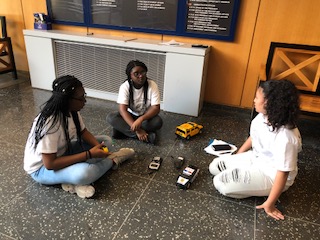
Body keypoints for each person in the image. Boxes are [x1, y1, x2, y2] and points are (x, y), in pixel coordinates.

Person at [24, 75, 135, 199]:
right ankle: (113, 159)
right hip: (42, 169)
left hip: (62, 152)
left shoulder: (72, 111)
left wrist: (97, 147)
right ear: (67, 100)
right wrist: (89, 154)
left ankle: (70, 180)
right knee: (85, 173)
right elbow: (50, 164)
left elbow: (83, 132)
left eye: (84, 95)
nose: (85, 100)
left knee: (106, 141)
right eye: (81, 98)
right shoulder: (50, 123)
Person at [209, 80, 302, 220]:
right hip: (255, 158)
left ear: (269, 103)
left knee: (220, 183)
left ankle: (256, 188)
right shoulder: (264, 116)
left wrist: (270, 204)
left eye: (257, 97)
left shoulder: (287, 137)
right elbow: (253, 137)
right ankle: (245, 179)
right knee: (214, 166)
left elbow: (282, 173)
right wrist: (237, 157)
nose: (254, 100)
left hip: (271, 175)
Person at [107, 60, 163, 144]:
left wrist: (141, 119)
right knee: (111, 117)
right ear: (130, 76)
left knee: (157, 122)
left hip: (145, 118)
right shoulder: (125, 87)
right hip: (130, 116)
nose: (140, 76)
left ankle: (123, 131)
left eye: (143, 72)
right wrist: (138, 131)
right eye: (136, 74)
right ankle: (146, 136)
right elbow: (123, 110)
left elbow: (156, 108)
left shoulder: (152, 85)